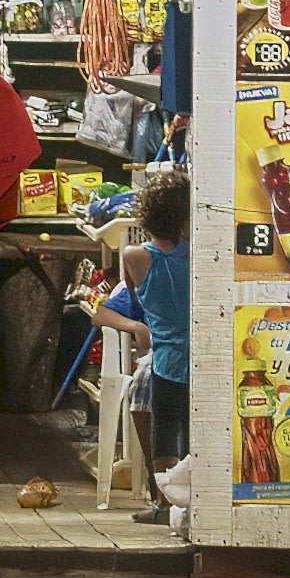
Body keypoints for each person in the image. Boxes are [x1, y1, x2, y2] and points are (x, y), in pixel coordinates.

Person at [122, 171, 190, 525]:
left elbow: (135, 300)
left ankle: (165, 505)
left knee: (163, 429)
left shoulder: (134, 256)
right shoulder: (197, 255)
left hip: (165, 358)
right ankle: (193, 503)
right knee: (192, 431)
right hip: (201, 356)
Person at [90, 270, 153, 482]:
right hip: (160, 354)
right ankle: (156, 475)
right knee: (144, 381)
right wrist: (136, 327)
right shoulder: (146, 278)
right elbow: (101, 315)